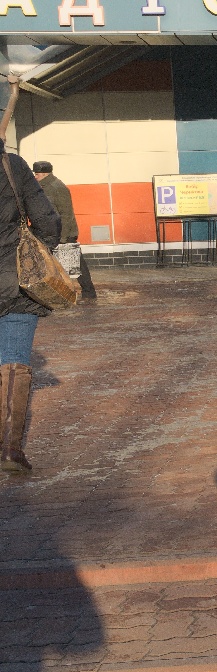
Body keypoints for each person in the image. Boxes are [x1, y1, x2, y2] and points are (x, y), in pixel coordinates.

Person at [0, 145, 63, 475]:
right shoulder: (12, 165)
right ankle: (9, 449)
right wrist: (35, 254)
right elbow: (47, 221)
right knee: (13, 361)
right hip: (16, 281)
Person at [32, 161, 96, 302]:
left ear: (44, 174)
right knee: (64, 263)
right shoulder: (43, 187)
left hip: (63, 234)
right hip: (52, 233)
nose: (35, 177)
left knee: (76, 264)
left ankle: (89, 292)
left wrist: (63, 237)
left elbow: (66, 214)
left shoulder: (57, 187)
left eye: (37, 174)